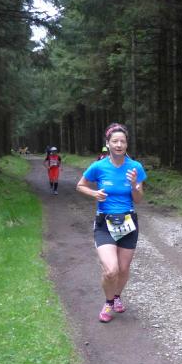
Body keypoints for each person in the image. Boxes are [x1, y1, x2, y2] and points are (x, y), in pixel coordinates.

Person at [76, 123, 147, 323]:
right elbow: (80, 185)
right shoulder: (98, 167)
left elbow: (139, 199)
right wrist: (94, 193)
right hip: (104, 223)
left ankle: (117, 297)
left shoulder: (135, 167)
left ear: (127, 144)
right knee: (110, 270)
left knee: (123, 269)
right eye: (114, 141)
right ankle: (108, 303)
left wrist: (134, 185)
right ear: (107, 144)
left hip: (128, 222)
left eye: (122, 141)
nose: (119, 145)